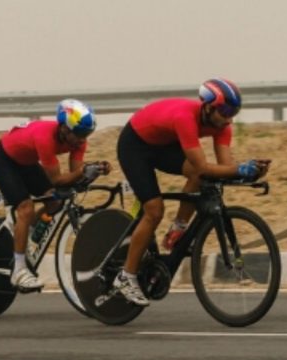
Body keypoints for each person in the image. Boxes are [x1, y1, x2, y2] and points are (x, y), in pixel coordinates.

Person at [114, 78, 271, 306]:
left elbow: (225, 167)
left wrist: (249, 172)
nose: (229, 118)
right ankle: (125, 276)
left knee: (202, 177)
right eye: (225, 110)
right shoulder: (185, 118)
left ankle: (178, 227)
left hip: (164, 145)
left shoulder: (222, 126)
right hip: (135, 146)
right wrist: (239, 169)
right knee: (155, 210)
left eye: (234, 111)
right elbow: (203, 166)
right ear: (207, 106)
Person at [0, 99, 110, 292]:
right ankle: (18, 271)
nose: (82, 139)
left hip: (25, 163)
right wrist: (82, 172)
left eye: (86, 134)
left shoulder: (78, 141)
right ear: (64, 129)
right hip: (3, 160)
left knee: (55, 202)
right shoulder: (45, 138)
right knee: (26, 208)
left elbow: (74, 176)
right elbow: (57, 180)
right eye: (78, 134)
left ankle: (23, 235)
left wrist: (92, 172)